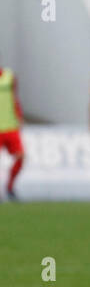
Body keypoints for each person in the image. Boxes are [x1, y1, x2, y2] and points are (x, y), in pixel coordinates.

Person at [0, 62, 24, 200]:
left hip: (10, 126)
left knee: (21, 156)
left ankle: (10, 187)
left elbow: (14, 99)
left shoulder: (10, 77)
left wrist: (19, 117)